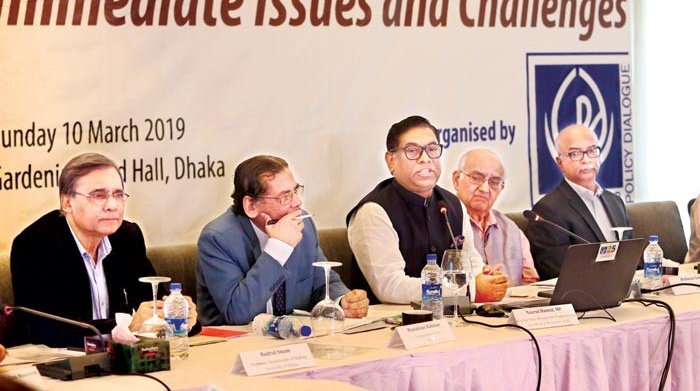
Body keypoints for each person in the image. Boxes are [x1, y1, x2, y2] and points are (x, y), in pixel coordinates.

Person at [10, 153, 198, 347]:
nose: (112, 205)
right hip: (58, 364)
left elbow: (151, 304)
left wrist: (178, 315)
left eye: (118, 195)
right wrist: (127, 327)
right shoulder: (35, 245)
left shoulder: (126, 237)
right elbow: (45, 330)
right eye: (98, 195)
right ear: (67, 203)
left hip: (118, 359)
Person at [347, 115, 509, 304]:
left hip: (450, 316)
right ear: (391, 161)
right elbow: (390, 286)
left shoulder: (453, 204)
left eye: (432, 149)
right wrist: (470, 289)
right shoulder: (373, 212)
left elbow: (471, 262)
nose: (425, 159)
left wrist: (487, 278)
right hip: (392, 323)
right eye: (412, 151)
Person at [197, 155, 368, 325]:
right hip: (232, 344)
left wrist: (342, 301)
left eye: (296, 191)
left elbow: (322, 283)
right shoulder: (217, 238)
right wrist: (277, 249)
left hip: (292, 337)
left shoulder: (303, 225)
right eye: (285, 197)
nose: (298, 202)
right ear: (251, 206)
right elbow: (238, 313)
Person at [525, 124, 633, 280]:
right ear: (559, 162)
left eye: (592, 151)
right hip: (586, 298)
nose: (586, 159)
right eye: (575, 153)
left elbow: (631, 257)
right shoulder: (547, 210)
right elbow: (558, 272)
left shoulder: (615, 202)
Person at [452, 148, 539, 286]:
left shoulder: (513, 230)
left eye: (494, 182)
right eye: (476, 178)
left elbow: (530, 283)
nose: (485, 189)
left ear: (501, 188)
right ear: (457, 180)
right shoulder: (443, 223)